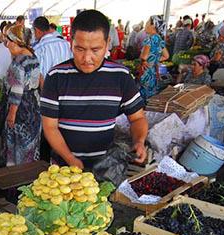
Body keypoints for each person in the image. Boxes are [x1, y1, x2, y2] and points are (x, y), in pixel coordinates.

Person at [41, 9, 148, 170]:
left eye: (95, 50)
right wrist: (70, 158)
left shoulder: (121, 76)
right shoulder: (56, 76)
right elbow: (50, 126)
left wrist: (139, 141)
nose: (87, 58)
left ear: (107, 44)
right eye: (80, 49)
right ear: (71, 42)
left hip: (107, 168)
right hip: (64, 170)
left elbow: (137, 118)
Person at [2, 24, 41, 166]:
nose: (7, 45)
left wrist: (11, 114)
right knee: (31, 144)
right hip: (34, 106)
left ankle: (17, 179)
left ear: (17, 41)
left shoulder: (18, 61)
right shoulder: (33, 56)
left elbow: (17, 91)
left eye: (9, 41)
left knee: (17, 145)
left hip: (21, 109)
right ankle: (31, 175)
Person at [138, 16, 170, 104]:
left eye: (147, 22)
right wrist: (154, 60)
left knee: (144, 96)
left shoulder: (149, 39)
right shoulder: (159, 39)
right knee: (152, 95)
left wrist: (144, 61)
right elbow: (166, 56)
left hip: (146, 72)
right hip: (154, 72)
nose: (145, 24)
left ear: (153, 26)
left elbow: (144, 57)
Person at [32, 16, 72, 83]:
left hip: (49, 90)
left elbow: (40, 76)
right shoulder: (66, 44)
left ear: (37, 30)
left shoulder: (38, 49)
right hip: (68, 87)